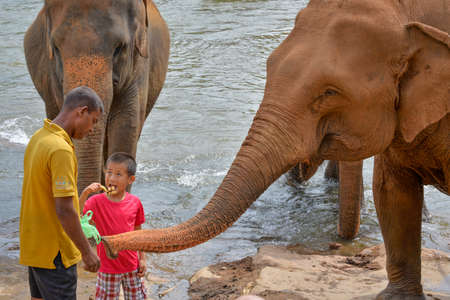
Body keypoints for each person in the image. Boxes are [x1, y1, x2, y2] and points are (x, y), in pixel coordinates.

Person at [20, 86, 103, 300]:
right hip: (55, 252)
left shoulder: (39, 138)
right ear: (81, 111)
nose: (92, 129)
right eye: (93, 120)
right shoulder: (60, 150)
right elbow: (65, 210)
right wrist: (86, 252)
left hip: (35, 246)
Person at [80, 152, 147, 300]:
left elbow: (138, 233)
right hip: (107, 267)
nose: (111, 178)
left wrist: (142, 259)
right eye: (109, 172)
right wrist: (85, 194)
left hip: (132, 266)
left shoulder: (135, 202)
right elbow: (79, 217)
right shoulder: (95, 202)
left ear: (131, 179)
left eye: (118, 174)